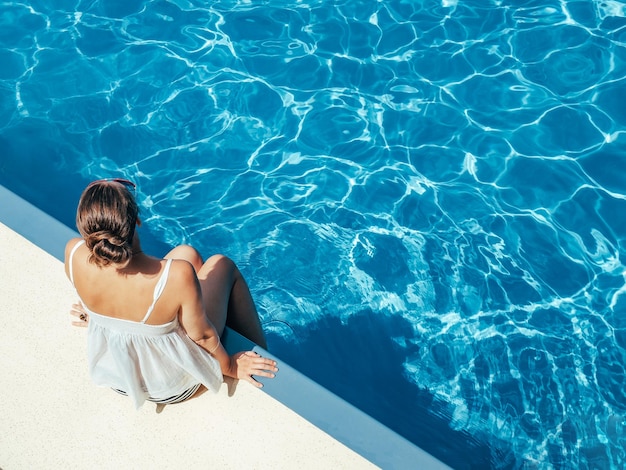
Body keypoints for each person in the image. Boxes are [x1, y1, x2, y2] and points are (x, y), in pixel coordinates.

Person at [64, 178, 277, 408]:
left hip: (118, 376)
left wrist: (93, 315)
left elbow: (108, 290)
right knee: (221, 264)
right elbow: (203, 337)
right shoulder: (176, 275)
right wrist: (231, 368)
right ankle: (261, 352)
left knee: (188, 253)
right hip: (172, 385)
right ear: (136, 221)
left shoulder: (73, 252)